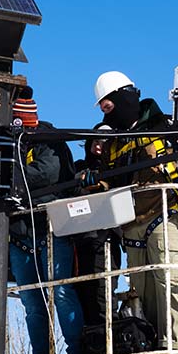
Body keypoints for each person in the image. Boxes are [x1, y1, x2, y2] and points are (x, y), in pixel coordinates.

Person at [81, 71, 178, 350]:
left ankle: (174, 342)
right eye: (103, 108)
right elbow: (109, 180)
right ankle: (157, 339)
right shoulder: (115, 141)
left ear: (122, 98)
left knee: (167, 278)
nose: (106, 113)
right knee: (142, 283)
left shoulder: (164, 127)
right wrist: (93, 183)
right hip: (132, 223)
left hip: (164, 214)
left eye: (108, 106)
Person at [9, 87, 84, 354]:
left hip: (50, 230)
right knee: (32, 303)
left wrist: (11, 177)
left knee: (62, 292)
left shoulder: (48, 139)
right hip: (19, 235)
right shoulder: (7, 144)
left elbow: (47, 172)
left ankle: (76, 353)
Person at [73, 123, 122, 327]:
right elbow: (70, 191)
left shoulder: (118, 169)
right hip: (79, 240)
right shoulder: (78, 168)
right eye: (95, 140)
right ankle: (88, 340)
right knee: (80, 295)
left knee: (102, 294)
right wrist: (82, 182)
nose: (99, 146)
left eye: (105, 142)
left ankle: (104, 338)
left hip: (105, 240)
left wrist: (102, 185)